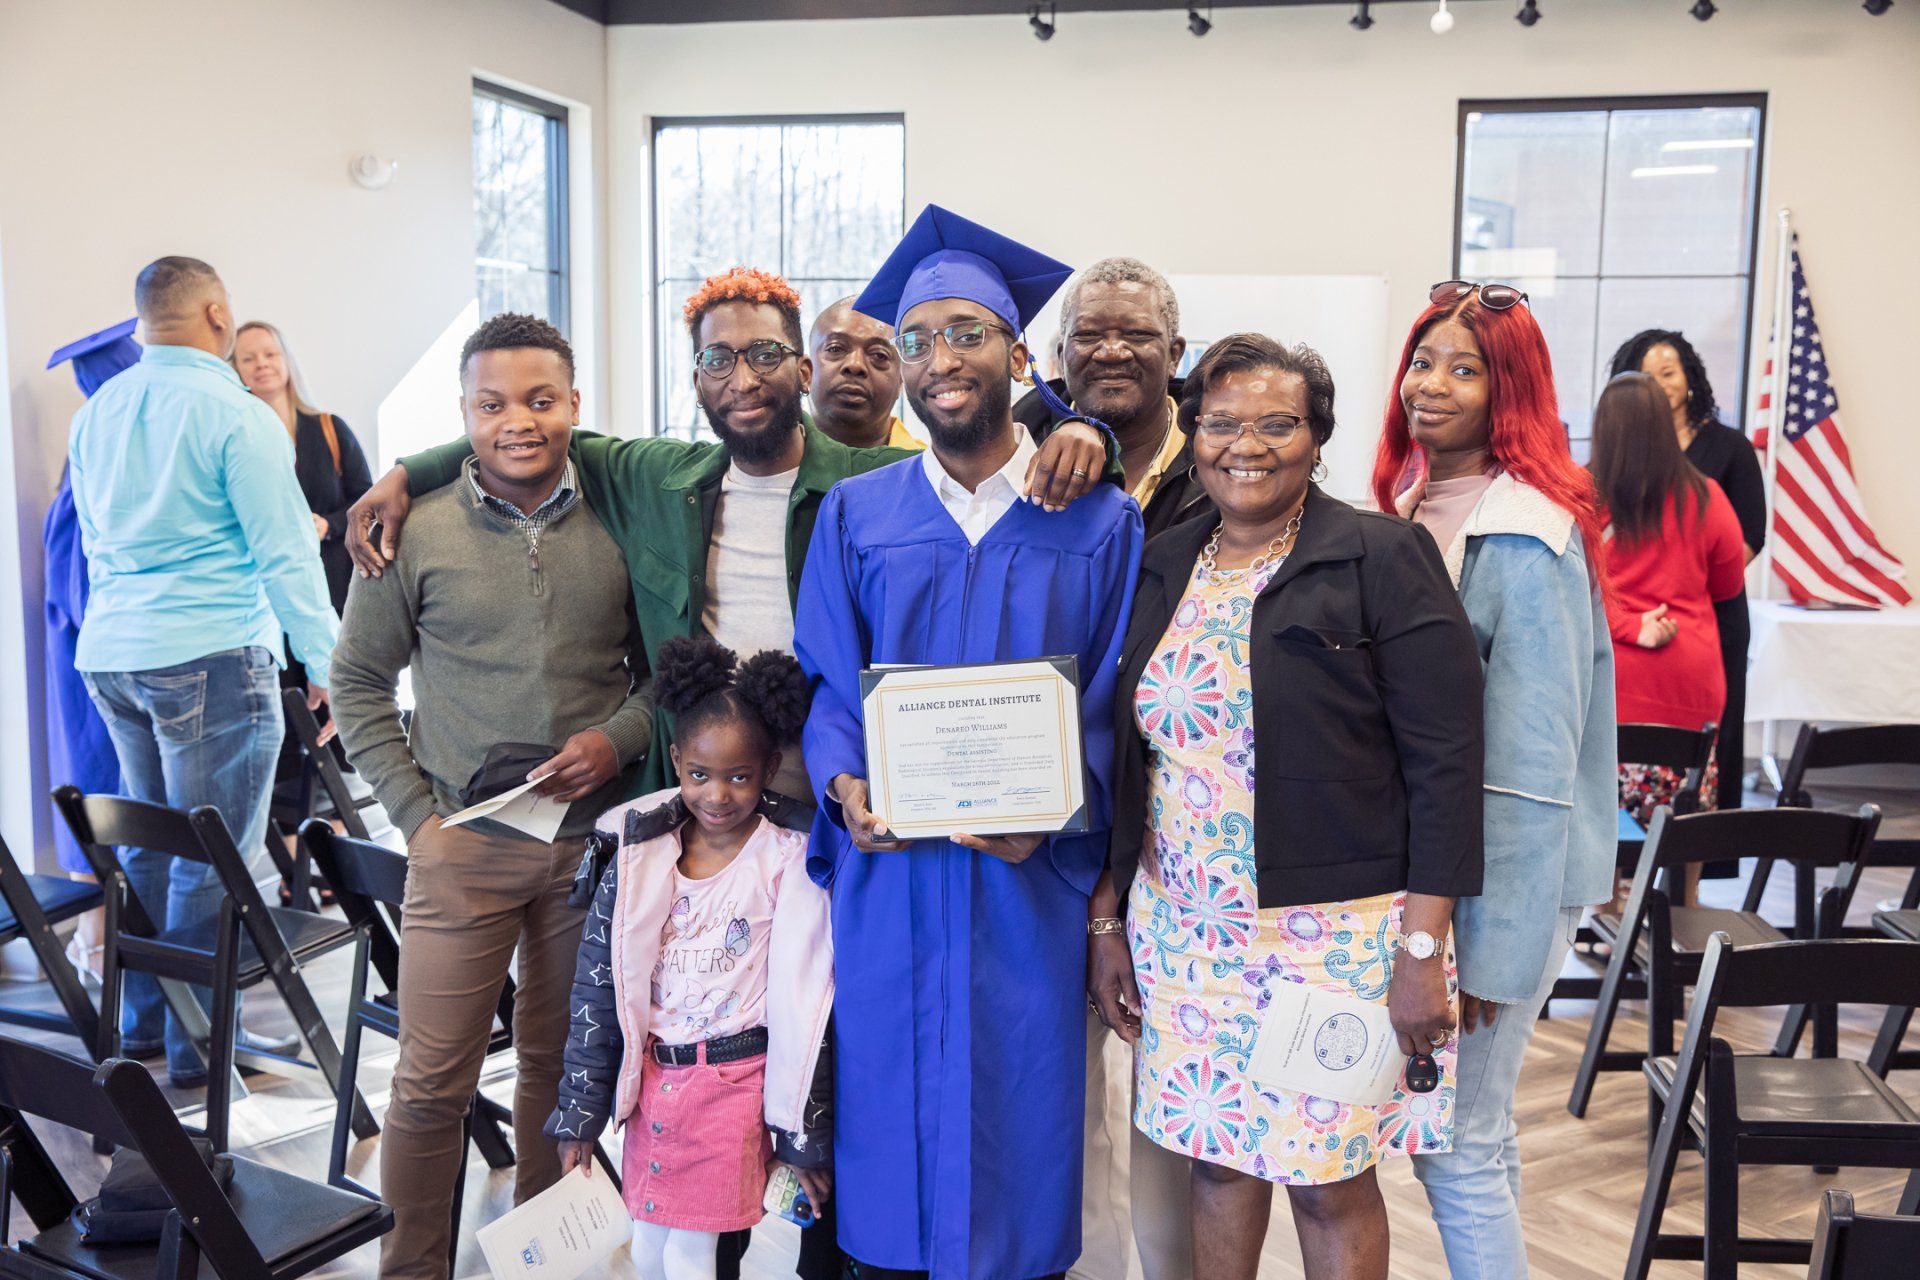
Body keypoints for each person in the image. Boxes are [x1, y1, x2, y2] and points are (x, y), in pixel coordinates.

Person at [346, 270, 1111, 805]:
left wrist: (1075, 426)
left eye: (766, 354)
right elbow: (540, 430)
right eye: (718, 358)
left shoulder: (874, 481)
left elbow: (969, 443)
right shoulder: (656, 476)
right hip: (702, 778)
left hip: (831, 772)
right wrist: (409, 471)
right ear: (696, 378)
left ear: (801, 369)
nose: (742, 377)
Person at [795, 204, 1142, 1280]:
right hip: (892, 878)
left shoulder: (1098, 520)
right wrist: (843, 781)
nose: (940, 359)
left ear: (1017, 352)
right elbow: (824, 680)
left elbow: (1114, 704)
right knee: (887, 1110)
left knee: (1021, 1109)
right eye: (916, 340)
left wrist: (1057, 812)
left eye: (966, 332)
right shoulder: (858, 513)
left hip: (1022, 882)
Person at [1089, 334, 1483, 1280]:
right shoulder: (1164, 557)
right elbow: (1129, 759)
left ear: (1317, 437)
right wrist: (1109, 920)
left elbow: (1448, 763)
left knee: (1327, 1180)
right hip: (1187, 929)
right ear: (1193, 435)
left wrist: (1424, 953)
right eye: (1221, 423)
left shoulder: (1382, 555)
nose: (1246, 444)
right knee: (1220, 1167)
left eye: (1277, 423)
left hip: (1335, 937)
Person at [329, 312, 654, 1279]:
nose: (518, 421)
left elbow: (656, 671)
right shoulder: (411, 531)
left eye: (540, 399)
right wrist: (418, 822)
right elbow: (356, 685)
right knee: (432, 1085)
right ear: (463, 415)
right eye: (491, 403)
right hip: (463, 847)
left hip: (593, 848)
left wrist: (620, 738)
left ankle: (543, 1262)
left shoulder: (621, 519)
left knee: (562, 1080)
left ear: (575, 407)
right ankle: (413, 1269)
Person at [1381, 281, 1616, 1279]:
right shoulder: (1403, 505)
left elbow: (1531, 770)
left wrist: (1479, 952)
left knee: (1456, 1147)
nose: (1432, 384)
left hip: (1499, 891)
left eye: (1464, 368)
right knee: (1485, 1138)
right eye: (1423, 360)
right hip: (1438, 875)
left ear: (1509, 390)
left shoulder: (1524, 534)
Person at [68, 256, 334, 1086]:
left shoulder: (100, 411)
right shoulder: (235, 413)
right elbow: (288, 555)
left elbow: (94, 543)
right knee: (211, 856)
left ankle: (145, 1032)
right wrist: (328, 667)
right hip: (210, 653)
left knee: (148, 844)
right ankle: (196, 1058)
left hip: (113, 655)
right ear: (218, 313)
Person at [549, 635, 833, 1280]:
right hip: (654, 1084)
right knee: (647, 1243)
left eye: (740, 776)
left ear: (769, 766)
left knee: (696, 1252)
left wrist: (802, 1141)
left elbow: (810, 1002)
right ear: (676, 761)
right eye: (700, 774)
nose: (719, 795)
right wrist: (580, 1116)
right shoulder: (637, 853)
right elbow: (599, 994)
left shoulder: (789, 855)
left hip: (734, 1086)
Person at [1609, 329, 1763, 814]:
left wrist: (1680, 575)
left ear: (1689, 379)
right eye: (1647, 376)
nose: (1660, 385)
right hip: (1649, 628)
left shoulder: (1727, 450)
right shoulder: (1607, 473)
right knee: (1674, 772)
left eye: (1669, 373)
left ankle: (1666, 877)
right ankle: (1671, 884)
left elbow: (1746, 541)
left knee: (1702, 758)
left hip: (1706, 619)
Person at [43, 319, 141, 988]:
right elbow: (80, 591)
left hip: (93, 655)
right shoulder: (93, 474)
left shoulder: (89, 461)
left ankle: (100, 942)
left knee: (108, 791)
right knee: (106, 790)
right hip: (97, 662)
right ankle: (98, 946)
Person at [1015, 257, 1211, 539]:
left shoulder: (1220, 464)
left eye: (1137, 334)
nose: (1111, 352)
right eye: (1087, 335)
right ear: (1061, 356)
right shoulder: (1016, 454)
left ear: (1174, 355)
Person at [230, 320, 372, 615]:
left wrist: (327, 525)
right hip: (265, 597)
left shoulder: (331, 428)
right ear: (236, 369)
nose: (261, 364)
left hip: (335, 589)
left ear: (286, 360)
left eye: (270, 354)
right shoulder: (234, 442)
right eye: (248, 358)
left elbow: (367, 502)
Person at [807, 296, 914, 449]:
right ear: (805, 371)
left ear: (901, 381)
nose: (855, 365)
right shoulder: (765, 468)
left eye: (879, 355)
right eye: (835, 349)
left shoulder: (931, 470)